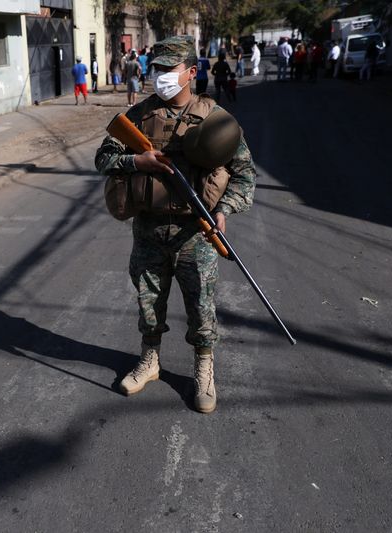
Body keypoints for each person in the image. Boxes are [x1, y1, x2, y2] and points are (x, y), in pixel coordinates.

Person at [94, 35, 257, 414]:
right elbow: (102, 159)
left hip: (196, 234)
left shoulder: (216, 119)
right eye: (158, 69)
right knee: (148, 304)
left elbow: (244, 175)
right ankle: (150, 361)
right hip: (149, 230)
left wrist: (223, 211)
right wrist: (138, 163)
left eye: (170, 69)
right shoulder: (139, 115)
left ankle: (204, 368)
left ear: (191, 72)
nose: (162, 76)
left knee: (201, 307)